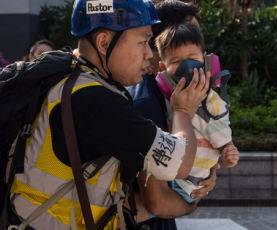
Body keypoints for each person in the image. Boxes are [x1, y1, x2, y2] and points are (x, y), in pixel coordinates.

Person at [7, 0, 210, 229]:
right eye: (142, 42)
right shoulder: (95, 101)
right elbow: (179, 163)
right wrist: (183, 110)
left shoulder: (70, 80)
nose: (148, 54)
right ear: (104, 42)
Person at [127, 1, 209, 229]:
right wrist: (193, 202)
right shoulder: (146, 102)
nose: (200, 51)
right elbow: (159, 202)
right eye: (190, 36)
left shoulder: (164, 95)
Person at [153, 22, 240, 205]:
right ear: (162, 67)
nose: (187, 65)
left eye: (193, 57)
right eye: (176, 61)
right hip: (165, 177)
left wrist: (228, 154)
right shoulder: (158, 96)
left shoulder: (211, 102)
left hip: (192, 182)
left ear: (206, 61)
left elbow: (224, 140)